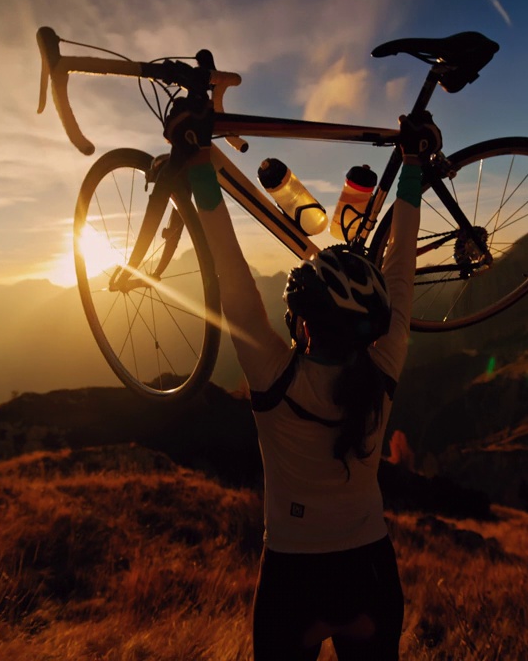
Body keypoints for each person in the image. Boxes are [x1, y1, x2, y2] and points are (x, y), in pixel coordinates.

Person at [168, 100, 438, 660]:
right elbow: (404, 272)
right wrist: (411, 167)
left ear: (302, 325)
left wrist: (197, 163)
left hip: (293, 576)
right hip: (367, 568)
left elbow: (228, 270)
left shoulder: (277, 375)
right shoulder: (380, 370)